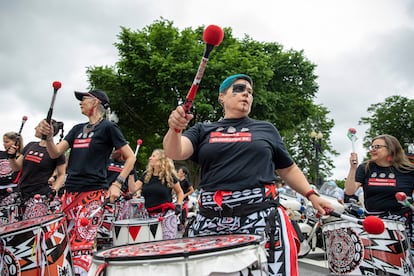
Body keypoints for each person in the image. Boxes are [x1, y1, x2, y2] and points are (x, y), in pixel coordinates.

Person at [163, 73, 331, 275]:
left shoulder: (266, 129)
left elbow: (288, 169)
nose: (246, 94)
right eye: (239, 89)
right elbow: (174, 151)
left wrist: (311, 195)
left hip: (261, 219)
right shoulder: (203, 130)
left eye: (250, 92)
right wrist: (175, 129)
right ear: (222, 97)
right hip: (210, 222)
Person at [39, 89, 136, 275]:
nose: (80, 103)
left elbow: (131, 158)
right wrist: (49, 137)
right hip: (70, 194)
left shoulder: (108, 127)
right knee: (61, 241)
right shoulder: (76, 129)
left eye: (84, 99)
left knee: (81, 244)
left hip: (93, 194)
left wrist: (117, 183)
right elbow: (54, 153)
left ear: (96, 102)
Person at [344, 134, 414, 257]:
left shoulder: (408, 170)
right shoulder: (365, 168)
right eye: (372, 146)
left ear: (391, 149)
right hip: (374, 224)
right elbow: (349, 191)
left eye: (377, 147)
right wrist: (353, 168)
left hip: (402, 224)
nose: (372, 149)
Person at [7, 119, 66, 219]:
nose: (35, 128)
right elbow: (16, 167)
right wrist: (12, 157)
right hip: (21, 192)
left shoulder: (56, 152)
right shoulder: (30, 145)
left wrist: (54, 190)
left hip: (39, 196)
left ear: (45, 130)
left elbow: (61, 175)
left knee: (28, 229)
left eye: (38, 126)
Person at [128, 149, 184, 240]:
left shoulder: (169, 176)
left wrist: (179, 204)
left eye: (153, 156)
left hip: (166, 216)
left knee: (166, 245)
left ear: (161, 160)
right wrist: (131, 174)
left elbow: (180, 192)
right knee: (149, 244)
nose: (150, 158)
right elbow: (132, 189)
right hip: (149, 215)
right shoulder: (146, 175)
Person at [177, 166, 194, 230]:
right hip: (178, 199)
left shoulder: (186, 181)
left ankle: (184, 227)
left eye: (179, 172)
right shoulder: (178, 181)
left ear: (183, 173)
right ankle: (179, 226)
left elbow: (192, 190)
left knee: (183, 215)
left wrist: (184, 195)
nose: (178, 173)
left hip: (184, 200)